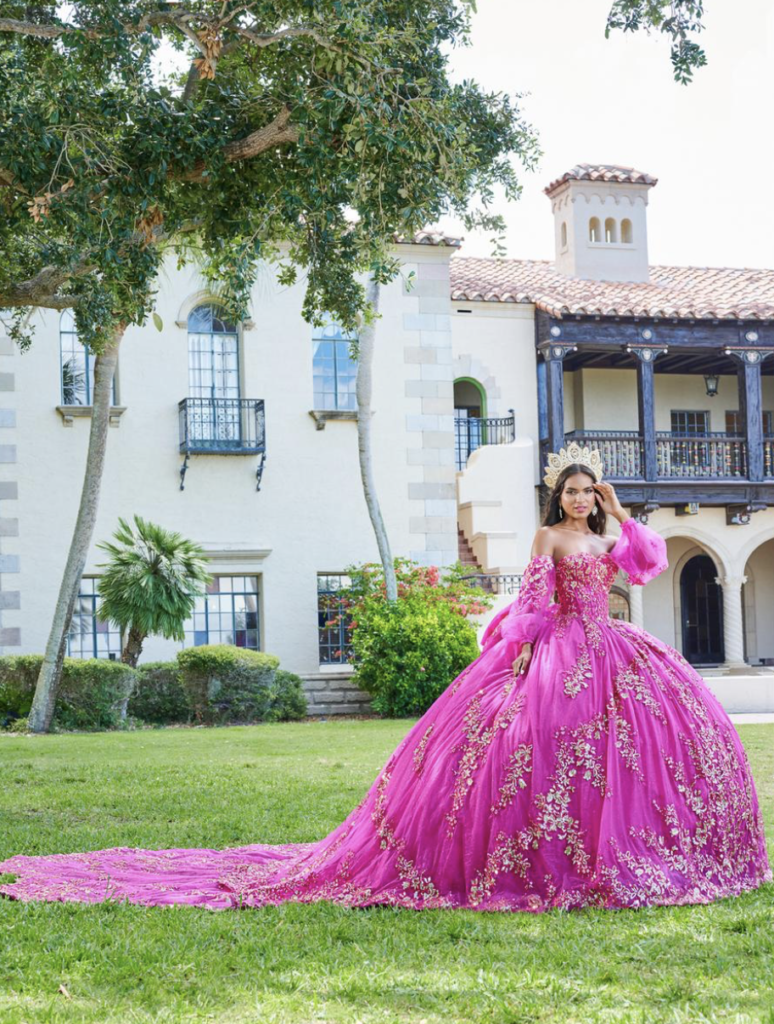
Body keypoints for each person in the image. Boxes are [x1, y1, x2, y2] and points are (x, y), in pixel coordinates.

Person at [1, 445, 770, 912]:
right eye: (570, 490)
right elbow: (534, 602)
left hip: (612, 648)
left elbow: (643, 565)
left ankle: (623, 850)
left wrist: (618, 507)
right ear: (554, 496)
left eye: (584, 490)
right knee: (534, 743)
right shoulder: (547, 536)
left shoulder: (605, 533)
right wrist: (526, 654)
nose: (576, 499)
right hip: (560, 651)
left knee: (640, 749)